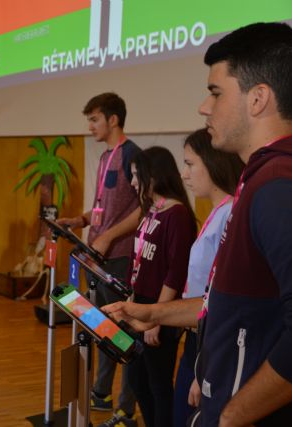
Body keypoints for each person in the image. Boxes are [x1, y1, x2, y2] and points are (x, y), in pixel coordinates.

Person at [102, 22, 292, 426]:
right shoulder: (262, 179)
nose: (204, 107)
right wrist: (155, 313)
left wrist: (231, 415)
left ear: (258, 99)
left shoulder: (281, 189)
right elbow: (232, 304)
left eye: (215, 92)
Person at [58, 92, 141, 426]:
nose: (90, 126)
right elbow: (103, 207)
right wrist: (80, 221)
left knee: (123, 334)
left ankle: (126, 408)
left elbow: (143, 207)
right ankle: (102, 393)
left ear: (113, 120)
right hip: (95, 258)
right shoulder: (107, 155)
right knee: (101, 328)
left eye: (94, 119)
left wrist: (109, 235)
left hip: (119, 260)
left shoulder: (133, 155)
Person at [118, 146, 196, 427]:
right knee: (138, 380)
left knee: (159, 384)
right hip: (140, 304)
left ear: (155, 174)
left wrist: (157, 319)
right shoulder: (150, 209)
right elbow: (137, 257)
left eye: (138, 174)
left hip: (159, 308)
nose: (134, 181)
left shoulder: (177, 215)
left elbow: (175, 272)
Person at [173, 129, 243, 427]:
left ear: (213, 164)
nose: (184, 173)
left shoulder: (229, 213)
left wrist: (207, 369)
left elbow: (224, 300)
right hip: (197, 336)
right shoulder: (218, 211)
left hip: (209, 341)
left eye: (190, 164)